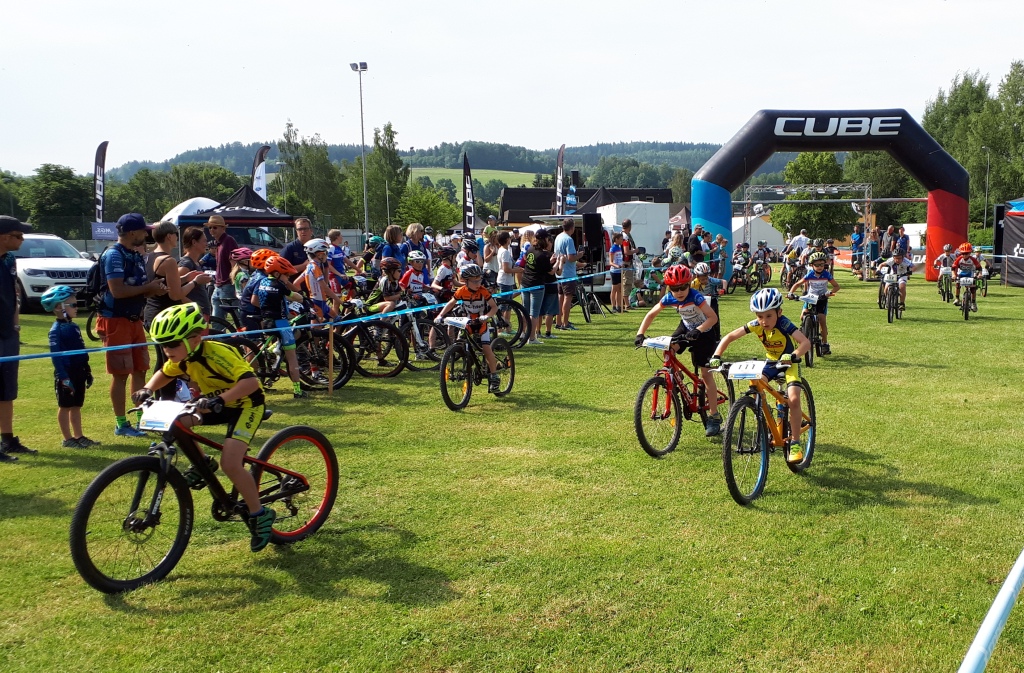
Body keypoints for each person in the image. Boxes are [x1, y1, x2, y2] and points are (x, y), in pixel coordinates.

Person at [132, 302, 277, 552]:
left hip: (246, 404)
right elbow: (164, 373)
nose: (167, 350)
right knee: (176, 421)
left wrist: (220, 399)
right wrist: (148, 388)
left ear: (196, 338)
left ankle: (259, 513)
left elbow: (251, 382)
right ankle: (203, 463)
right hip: (212, 403)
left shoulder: (218, 354)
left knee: (231, 464)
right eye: (163, 344)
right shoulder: (182, 357)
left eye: (173, 344)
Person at [709, 288, 811, 461]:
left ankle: (795, 442)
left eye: (769, 316)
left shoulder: (784, 324)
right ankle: (767, 420)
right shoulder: (756, 325)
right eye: (759, 316)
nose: (764, 321)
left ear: (779, 312)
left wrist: (793, 356)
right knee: (756, 384)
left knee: (793, 399)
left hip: (789, 363)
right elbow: (730, 336)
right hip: (771, 362)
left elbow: (805, 342)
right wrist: (716, 355)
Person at [97, 213, 167, 438]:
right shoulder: (114, 255)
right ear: (131, 233)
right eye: (143, 231)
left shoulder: (134, 254)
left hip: (134, 320)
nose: (147, 234)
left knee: (140, 369)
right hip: (116, 320)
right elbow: (117, 291)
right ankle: (121, 424)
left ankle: (141, 418)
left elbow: (139, 286)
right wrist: (149, 289)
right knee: (120, 373)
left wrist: (154, 288)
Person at [634, 265, 723, 437]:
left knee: (706, 374)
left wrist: (699, 330)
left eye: (683, 287)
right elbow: (651, 314)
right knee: (668, 348)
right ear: (669, 288)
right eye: (675, 288)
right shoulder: (669, 298)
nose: (680, 291)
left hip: (705, 332)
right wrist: (640, 333)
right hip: (686, 327)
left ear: (689, 284)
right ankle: (674, 377)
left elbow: (713, 318)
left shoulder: (695, 296)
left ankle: (714, 416)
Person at [42, 286, 98, 448]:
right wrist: (63, 376)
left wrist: (87, 369)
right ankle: (67, 438)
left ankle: (79, 435)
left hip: (79, 370)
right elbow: (56, 357)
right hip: (66, 372)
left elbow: (81, 349)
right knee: (65, 405)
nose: (76, 308)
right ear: (59, 307)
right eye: (73, 305)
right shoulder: (56, 331)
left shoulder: (73, 326)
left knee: (77, 405)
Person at [433, 264, 502, 393]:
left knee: (486, 349)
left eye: (479, 279)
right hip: (468, 323)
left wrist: (487, 316)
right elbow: (451, 303)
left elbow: (494, 307)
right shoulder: (461, 291)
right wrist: (441, 315)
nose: (478, 283)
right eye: (474, 281)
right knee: (460, 343)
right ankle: (467, 362)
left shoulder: (483, 291)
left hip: (482, 323)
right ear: (465, 281)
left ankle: (494, 376)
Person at [0, 216, 34, 461]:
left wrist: (15, 322)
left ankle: (8, 439)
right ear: (4, 237)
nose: (22, 240)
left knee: (7, 389)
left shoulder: (10, 260)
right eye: (18, 236)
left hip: (8, 334)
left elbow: (13, 291)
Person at [254, 255, 306, 398]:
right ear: (277, 274)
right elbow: (294, 296)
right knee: (292, 357)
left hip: (266, 321)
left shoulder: (262, 281)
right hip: (281, 323)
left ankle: (273, 350)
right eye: (286, 275)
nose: (288, 278)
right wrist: (304, 298)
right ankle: (297, 391)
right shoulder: (279, 285)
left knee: (278, 343)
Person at [788, 251, 840, 356]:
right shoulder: (810, 274)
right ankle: (805, 330)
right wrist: (790, 293)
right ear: (812, 265)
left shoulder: (826, 274)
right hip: (811, 298)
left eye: (821, 265)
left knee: (822, 320)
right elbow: (798, 284)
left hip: (822, 298)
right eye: (817, 265)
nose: (820, 267)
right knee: (803, 315)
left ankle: (825, 343)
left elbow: (836, 286)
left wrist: (829, 293)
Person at [521, 229, 557, 343]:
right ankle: (531, 338)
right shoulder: (543, 254)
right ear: (544, 239)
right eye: (547, 238)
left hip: (525, 282)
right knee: (534, 313)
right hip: (536, 285)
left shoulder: (530, 248)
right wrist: (558, 263)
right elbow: (551, 272)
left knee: (525, 310)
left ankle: (522, 333)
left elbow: (526, 259)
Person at [178, 227, 214, 320]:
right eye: (204, 241)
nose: (206, 244)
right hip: (194, 315)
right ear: (194, 242)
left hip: (200, 313)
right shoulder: (186, 263)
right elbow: (175, 290)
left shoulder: (194, 262)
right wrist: (193, 306)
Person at [553, 218, 581, 331]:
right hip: (568, 273)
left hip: (559, 272)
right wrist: (579, 255)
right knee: (567, 298)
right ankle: (565, 323)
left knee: (560, 298)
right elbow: (571, 257)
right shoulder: (569, 239)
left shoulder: (558, 237)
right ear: (572, 227)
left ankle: (558, 321)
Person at [300, 238, 340, 319]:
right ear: (319, 255)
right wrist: (340, 301)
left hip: (319, 302)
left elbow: (296, 283)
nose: (327, 255)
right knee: (316, 329)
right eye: (326, 252)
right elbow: (325, 288)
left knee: (337, 320)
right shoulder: (315, 268)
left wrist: (304, 297)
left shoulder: (310, 266)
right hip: (318, 303)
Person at [238, 249, 275, 332]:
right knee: (255, 342)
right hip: (251, 311)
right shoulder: (262, 279)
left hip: (246, 309)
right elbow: (254, 301)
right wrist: (271, 308)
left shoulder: (257, 273)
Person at [691, 262, 722, 340]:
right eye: (702, 279)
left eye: (706, 277)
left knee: (715, 318)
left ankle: (717, 337)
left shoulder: (711, 280)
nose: (705, 280)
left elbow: (723, 281)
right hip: (700, 302)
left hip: (712, 300)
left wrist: (723, 289)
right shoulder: (693, 283)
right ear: (697, 276)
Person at [951, 242, 982, 309]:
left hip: (970, 273)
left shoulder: (973, 259)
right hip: (961, 273)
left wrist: (980, 274)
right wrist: (953, 274)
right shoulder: (959, 259)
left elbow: (979, 267)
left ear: (970, 253)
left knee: (973, 288)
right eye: (963, 253)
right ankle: (957, 299)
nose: (964, 255)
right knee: (957, 284)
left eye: (966, 253)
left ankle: (973, 302)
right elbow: (953, 267)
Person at [621, 219, 638, 309]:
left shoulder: (623, 235)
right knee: (627, 282)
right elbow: (626, 251)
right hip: (626, 262)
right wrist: (635, 251)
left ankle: (626, 303)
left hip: (626, 262)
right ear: (630, 226)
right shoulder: (625, 237)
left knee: (627, 282)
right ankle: (627, 304)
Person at [608, 232, 625, 313]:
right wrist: (617, 266)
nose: (622, 241)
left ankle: (619, 306)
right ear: (616, 239)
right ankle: (613, 306)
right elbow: (610, 262)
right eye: (621, 239)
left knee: (620, 289)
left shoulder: (619, 248)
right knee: (614, 288)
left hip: (620, 271)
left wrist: (623, 264)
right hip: (614, 271)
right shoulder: (613, 248)